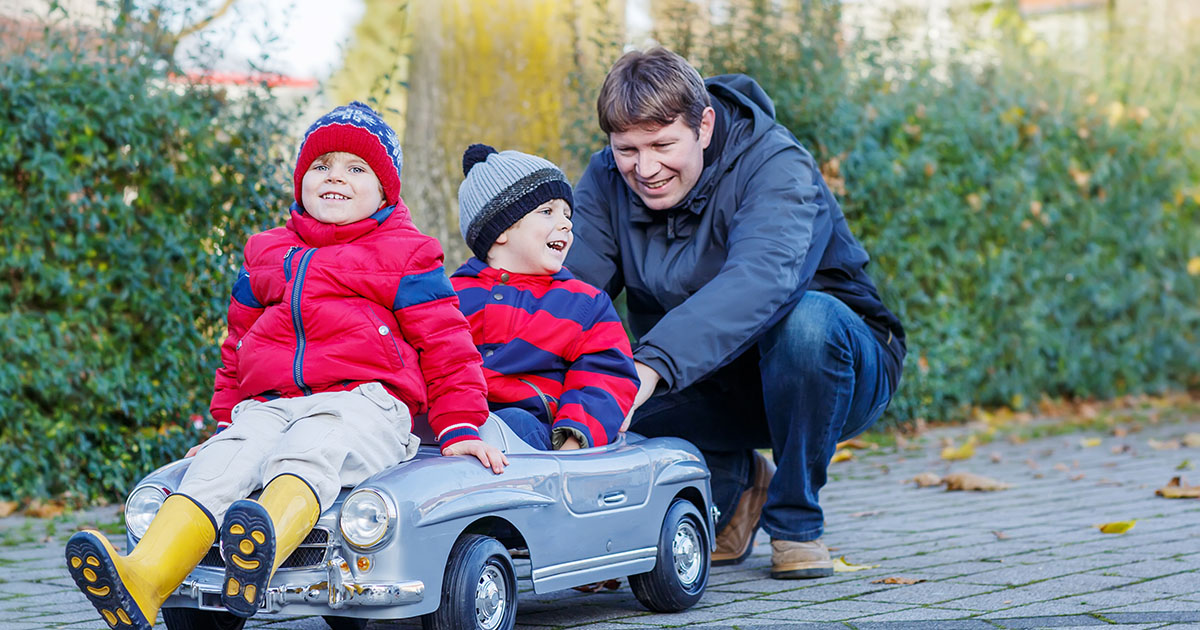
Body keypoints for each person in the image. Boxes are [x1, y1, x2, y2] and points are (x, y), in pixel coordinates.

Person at [65, 102, 506, 630]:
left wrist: (460, 425)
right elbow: (239, 343)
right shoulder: (267, 252)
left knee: (312, 447)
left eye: (355, 168)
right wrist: (227, 421)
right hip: (270, 405)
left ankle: (260, 552)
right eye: (321, 166)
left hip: (363, 402)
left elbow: (446, 343)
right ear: (299, 181)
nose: (334, 177)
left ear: (387, 191)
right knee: (218, 466)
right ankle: (146, 578)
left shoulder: (406, 254)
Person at [565, 48, 906, 579]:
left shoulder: (777, 166)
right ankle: (736, 475)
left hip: (835, 371)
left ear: (703, 126)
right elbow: (571, 295)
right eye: (626, 149)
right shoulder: (607, 178)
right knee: (588, 400)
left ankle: (795, 520)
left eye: (661, 145)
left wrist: (648, 368)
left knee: (806, 325)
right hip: (708, 375)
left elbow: (760, 282)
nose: (645, 168)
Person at [450, 144, 639, 451]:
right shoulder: (451, 298)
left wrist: (573, 438)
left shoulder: (582, 303)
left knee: (513, 422)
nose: (566, 223)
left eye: (567, 214)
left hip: (534, 438)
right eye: (548, 212)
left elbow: (606, 374)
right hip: (455, 424)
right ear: (501, 230)